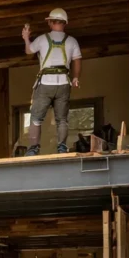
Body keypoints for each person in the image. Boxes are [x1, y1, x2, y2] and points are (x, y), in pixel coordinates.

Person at [21, 8, 82, 155]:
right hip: (63, 84)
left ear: (50, 22)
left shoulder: (42, 39)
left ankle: (33, 149)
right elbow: (77, 61)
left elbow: (29, 51)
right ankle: (62, 147)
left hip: (46, 83)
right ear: (64, 23)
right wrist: (75, 77)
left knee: (36, 118)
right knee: (62, 119)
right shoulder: (72, 41)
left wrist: (26, 38)